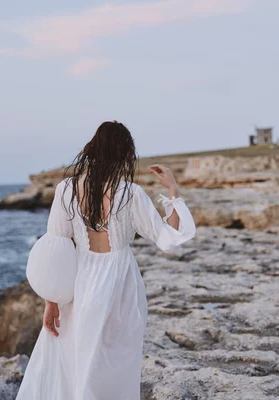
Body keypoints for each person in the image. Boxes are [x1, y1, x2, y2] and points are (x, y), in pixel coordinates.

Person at [16, 121, 196, 399]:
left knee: (78, 361)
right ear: (125, 153)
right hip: (121, 284)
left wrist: (51, 301)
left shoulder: (66, 189)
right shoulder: (130, 193)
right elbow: (168, 238)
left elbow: (56, 249)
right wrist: (173, 190)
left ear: (93, 149)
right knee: (116, 364)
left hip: (80, 282)